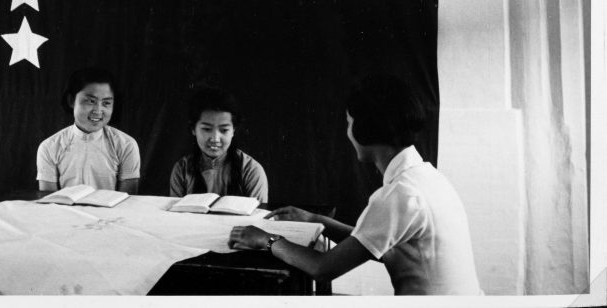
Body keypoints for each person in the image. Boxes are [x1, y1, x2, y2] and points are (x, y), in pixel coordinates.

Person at [228, 74, 482, 295]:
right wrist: (316, 220)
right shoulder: (425, 176)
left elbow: (322, 268)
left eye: (349, 123)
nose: (348, 131)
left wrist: (266, 239)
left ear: (365, 129)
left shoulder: (398, 194)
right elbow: (371, 242)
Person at [36, 67, 140, 193]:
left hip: (112, 213)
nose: (98, 110)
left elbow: (127, 200)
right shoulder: (49, 147)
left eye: (106, 103)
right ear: (71, 101)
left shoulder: (126, 145)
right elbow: (49, 201)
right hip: (64, 212)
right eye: (91, 101)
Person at [169, 86, 268, 202]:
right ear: (193, 129)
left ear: (233, 130)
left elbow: (258, 218)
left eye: (224, 130)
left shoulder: (251, 170)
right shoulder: (181, 169)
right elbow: (175, 219)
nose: (215, 138)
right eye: (206, 129)